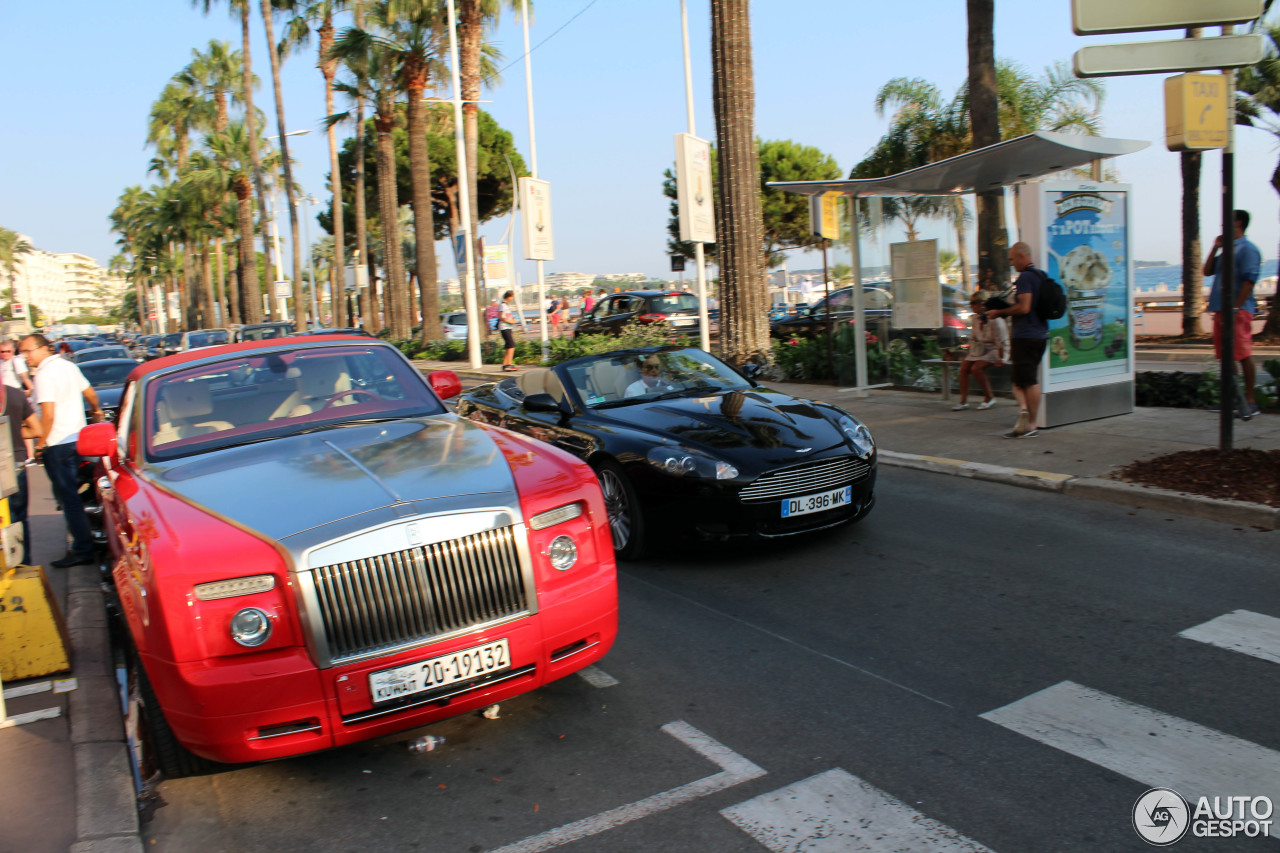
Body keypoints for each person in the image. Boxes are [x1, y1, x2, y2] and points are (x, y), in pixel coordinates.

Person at [20, 334, 103, 568]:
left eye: (28, 351)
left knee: (69, 498)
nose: (25, 357)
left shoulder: (45, 375)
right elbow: (90, 394)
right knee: (74, 494)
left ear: (44, 349)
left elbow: (48, 414)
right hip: (77, 439)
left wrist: (40, 444)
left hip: (57, 443)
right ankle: (88, 539)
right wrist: (96, 411)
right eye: (23, 352)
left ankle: (83, 549)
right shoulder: (68, 366)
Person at [1203, 209, 1262, 417]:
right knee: (1226, 358)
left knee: (1242, 355)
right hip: (1220, 310)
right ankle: (1232, 400)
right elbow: (1207, 271)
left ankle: (1251, 401)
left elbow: (1249, 281)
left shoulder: (1247, 249)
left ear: (1237, 222)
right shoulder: (1227, 250)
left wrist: (1236, 307)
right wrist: (1215, 247)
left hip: (1238, 311)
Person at [985, 242, 1048, 438]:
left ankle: (1030, 422)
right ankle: (1027, 418)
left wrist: (1000, 311)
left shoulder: (1025, 278)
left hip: (1025, 335)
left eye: (1012, 259)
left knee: (1026, 381)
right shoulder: (1041, 276)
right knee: (1023, 379)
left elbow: (1024, 308)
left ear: (1021, 256)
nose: (1011, 263)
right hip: (1040, 334)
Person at [2, 380, 40, 566]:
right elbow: (36, 429)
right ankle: (23, 564)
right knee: (19, 519)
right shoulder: (16, 394)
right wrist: (14, 430)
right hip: (16, 463)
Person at [953, 293, 1009, 411]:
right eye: (970, 303)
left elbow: (1001, 341)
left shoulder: (995, 319)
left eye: (974, 303)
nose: (971, 306)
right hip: (981, 348)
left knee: (976, 368)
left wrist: (1000, 358)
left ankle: (989, 397)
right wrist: (970, 352)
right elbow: (973, 338)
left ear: (982, 305)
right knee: (964, 368)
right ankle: (963, 401)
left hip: (997, 349)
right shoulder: (975, 319)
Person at [498, 291, 523, 372]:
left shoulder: (506, 305)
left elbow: (507, 316)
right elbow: (500, 317)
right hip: (504, 327)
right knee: (512, 345)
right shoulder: (503, 305)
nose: (512, 299)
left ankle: (505, 365)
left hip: (508, 327)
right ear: (509, 297)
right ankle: (509, 364)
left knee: (508, 346)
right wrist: (510, 321)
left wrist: (513, 320)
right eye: (512, 297)